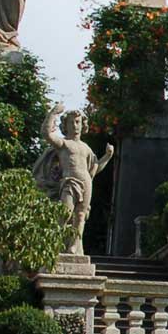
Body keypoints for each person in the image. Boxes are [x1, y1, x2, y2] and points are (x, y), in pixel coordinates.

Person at [36, 106, 113, 256]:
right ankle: (55, 245)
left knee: (80, 215)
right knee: (64, 213)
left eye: (77, 122)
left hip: (86, 183)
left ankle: (74, 246)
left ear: (82, 125)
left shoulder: (86, 148)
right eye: (71, 122)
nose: (75, 125)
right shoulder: (64, 143)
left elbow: (95, 169)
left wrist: (107, 156)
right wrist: (53, 113)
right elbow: (46, 134)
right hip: (69, 182)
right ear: (65, 126)